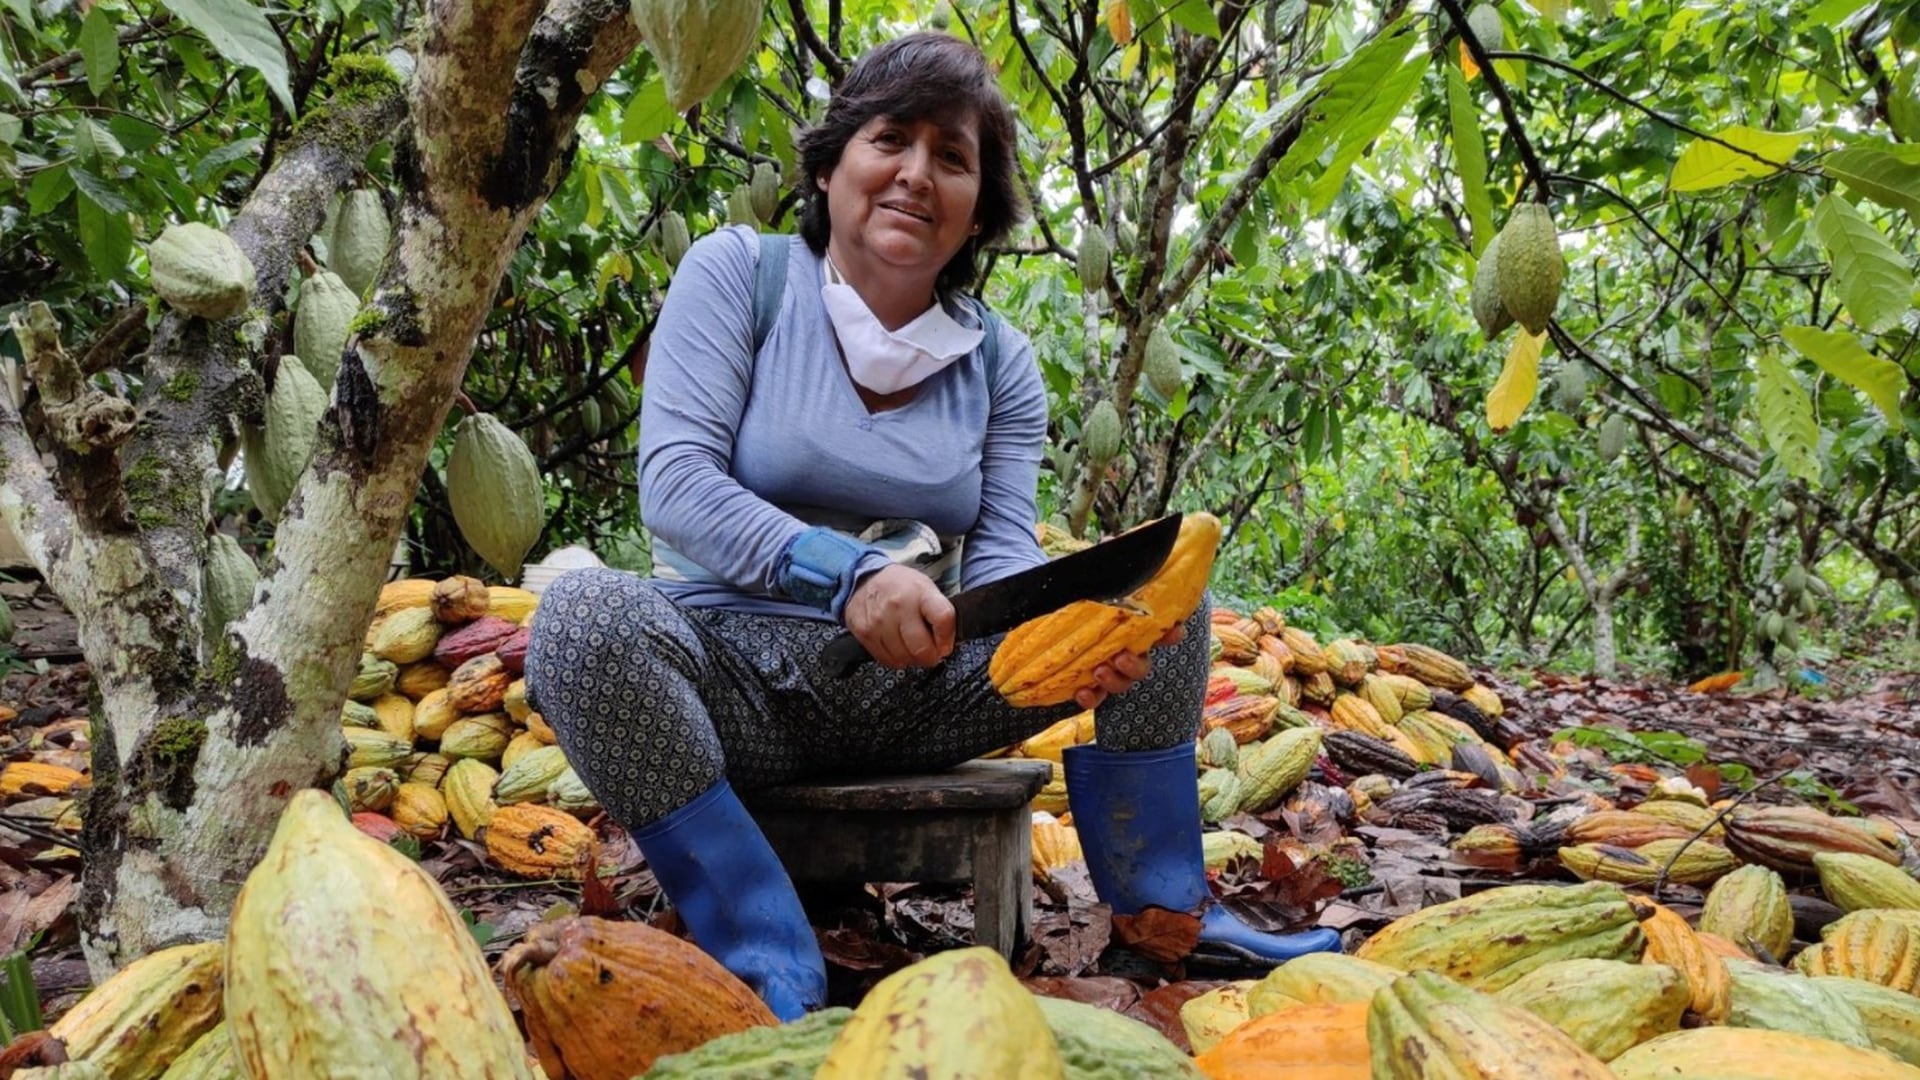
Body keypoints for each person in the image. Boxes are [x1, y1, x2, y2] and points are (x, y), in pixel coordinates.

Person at [523, 32, 1338, 1021]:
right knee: (581, 617)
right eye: (890, 141)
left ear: (977, 209)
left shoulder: (998, 363)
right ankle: (764, 956)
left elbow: (1000, 559)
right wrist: (846, 575)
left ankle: (1165, 918)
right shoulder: (742, 276)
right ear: (829, 168)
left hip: (919, 686)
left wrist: (1073, 646)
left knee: (1161, 596)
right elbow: (678, 486)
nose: (916, 174)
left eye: (952, 158)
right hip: (733, 680)